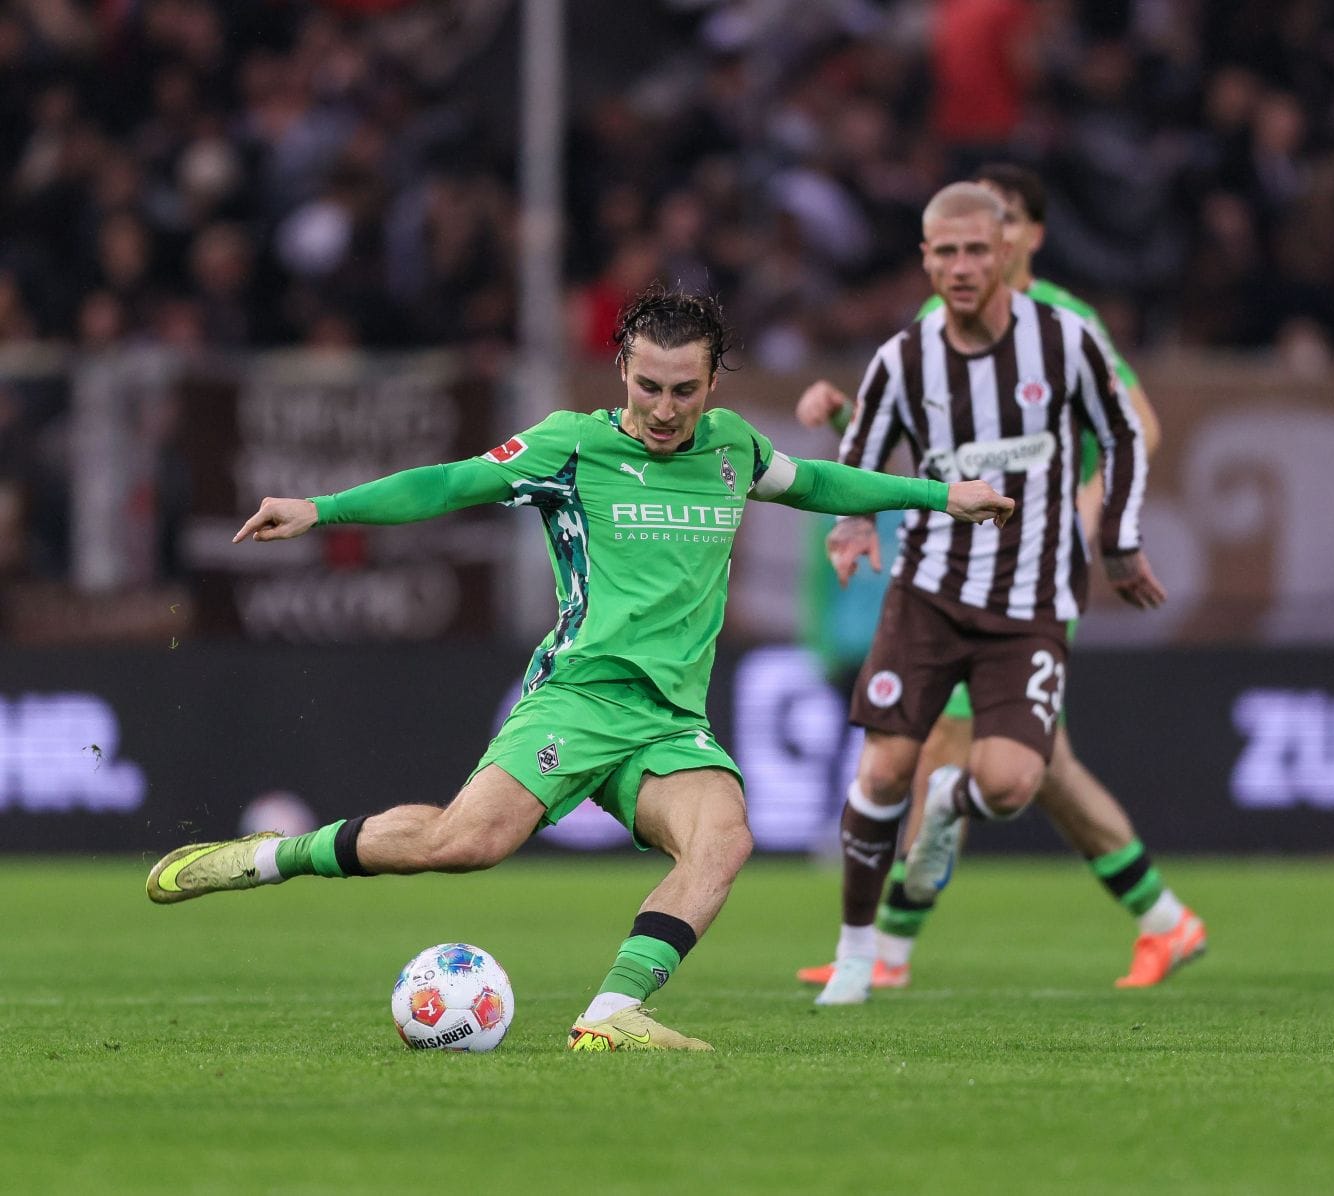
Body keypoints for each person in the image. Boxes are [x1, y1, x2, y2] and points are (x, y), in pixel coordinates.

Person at [144, 286, 1014, 1051]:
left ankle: (611, 1013)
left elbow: (819, 484)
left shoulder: (732, 450)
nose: (664, 409)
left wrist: (940, 497)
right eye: (647, 387)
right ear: (621, 373)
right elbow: (450, 485)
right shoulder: (571, 446)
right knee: (465, 844)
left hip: (671, 721)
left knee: (724, 840)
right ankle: (275, 856)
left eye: (683, 390)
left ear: (713, 385)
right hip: (580, 697)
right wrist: (321, 509)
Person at [794, 164, 1204, 995]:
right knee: (1019, 764)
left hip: (1034, 579)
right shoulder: (919, 334)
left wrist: (1094, 516)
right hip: (943, 577)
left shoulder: (1069, 325)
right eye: (953, 242)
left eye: (999, 227)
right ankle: (1162, 919)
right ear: (930, 253)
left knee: (981, 756)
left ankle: (894, 951)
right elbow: (917, 436)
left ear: (1025, 236)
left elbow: (1140, 426)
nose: (978, 251)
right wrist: (848, 432)